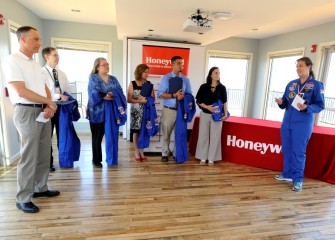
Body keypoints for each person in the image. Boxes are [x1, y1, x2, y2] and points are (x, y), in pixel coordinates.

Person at [6, 26, 60, 214]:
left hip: (42, 112)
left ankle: (40, 188)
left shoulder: (35, 63)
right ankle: (23, 198)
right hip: (26, 111)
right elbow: (21, 91)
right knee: (29, 156)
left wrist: (48, 105)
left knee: (44, 153)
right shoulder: (13, 60)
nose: (39, 43)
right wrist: (49, 102)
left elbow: (44, 86)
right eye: (36, 39)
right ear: (23, 39)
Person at [274, 57, 325, 192]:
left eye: (301, 66)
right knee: (286, 149)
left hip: (302, 124)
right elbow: (285, 101)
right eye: (297, 66)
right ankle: (287, 174)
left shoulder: (316, 85)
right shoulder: (291, 84)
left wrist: (307, 108)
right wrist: (281, 102)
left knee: (298, 152)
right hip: (287, 122)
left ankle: (298, 180)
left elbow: (320, 106)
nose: (298, 68)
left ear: (308, 67)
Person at [87, 57, 126, 168]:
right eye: (104, 64)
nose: (107, 66)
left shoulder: (113, 79)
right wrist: (105, 96)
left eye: (107, 64)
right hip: (97, 113)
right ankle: (96, 160)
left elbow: (120, 91)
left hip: (112, 112)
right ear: (97, 67)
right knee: (97, 137)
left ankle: (112, 158)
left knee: (112, 135)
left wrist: (114, 95)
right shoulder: (93, 78)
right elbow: (93, 93)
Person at [157, 56, 192, 163]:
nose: (181, 65)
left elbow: (190, 95)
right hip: (169, 110)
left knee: (179, 134)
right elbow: (160, 94)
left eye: (182, 63)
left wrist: (183, 97)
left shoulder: (186, 79)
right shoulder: (166, 78)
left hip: (181, 111)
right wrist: (174, 95)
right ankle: (165, 153)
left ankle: (177, 153)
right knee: (166, 133)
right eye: (178, 63)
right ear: (172, 64)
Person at [42, 47, 71, 171]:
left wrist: (67, 97)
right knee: (47, 137)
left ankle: (64, 159)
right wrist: (58, 96)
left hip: (62, 109)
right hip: (48, 107)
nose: (57, 57)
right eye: (55, 55)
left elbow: (68, 89)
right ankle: (49, 163)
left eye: (58, 55)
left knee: (63, 135)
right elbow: (42, 92)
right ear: (46, 57)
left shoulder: (62, 73)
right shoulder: (41, 72)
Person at [195, 67, 228, 165]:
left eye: (219, 73)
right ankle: (202, 157)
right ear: (211, 75)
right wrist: (207, 107)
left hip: (217, 117)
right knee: (203, 136)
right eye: (216, 73)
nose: (218, 75)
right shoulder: (203, 86)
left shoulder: (222, 88)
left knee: (215, 137)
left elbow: (225, 102)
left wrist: (225, 114)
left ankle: (211, 158)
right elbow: (198, 101)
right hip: (205, 114)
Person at [126, 64, 155, 161]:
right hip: (136, 112)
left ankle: (142, 151)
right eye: (145, 72)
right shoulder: (133, 83)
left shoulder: (149, 84)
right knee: (136, 132)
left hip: (146, 112)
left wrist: (146, 99)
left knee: (144, 131)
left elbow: (153, 98)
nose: (147, 74)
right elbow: (129, 99)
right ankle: (136, 151)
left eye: (148, 72)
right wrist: (139, 100)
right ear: (140, 72)